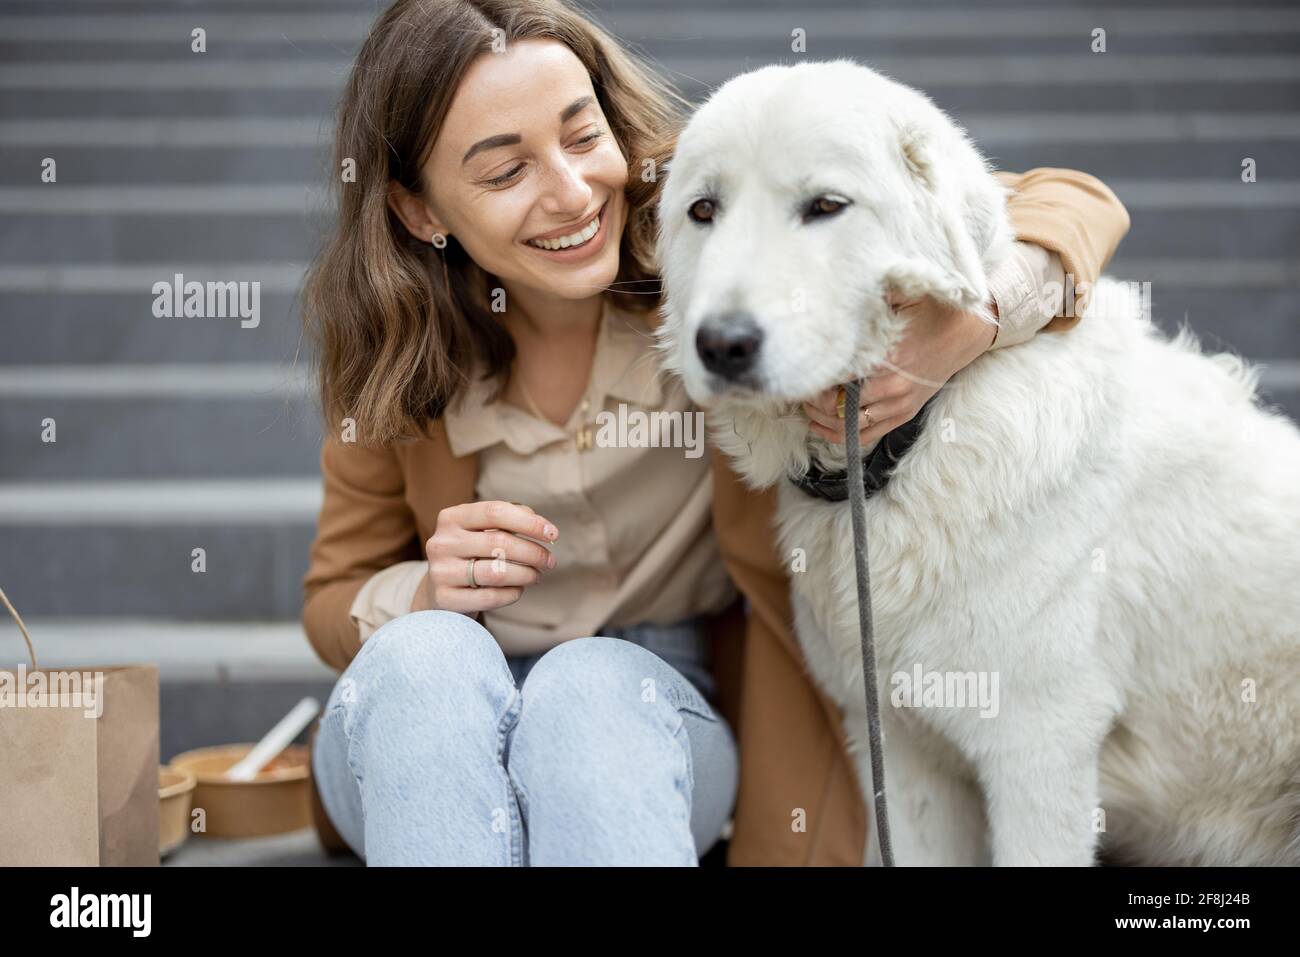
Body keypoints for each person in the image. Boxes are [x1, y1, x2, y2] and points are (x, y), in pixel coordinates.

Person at [300, 0, 1131, 866]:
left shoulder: (713, 233)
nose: (574, 193)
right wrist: (426, 595)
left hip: (644, 717)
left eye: (583, 138)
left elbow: (1068, 202)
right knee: (422, 658)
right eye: (506, 172)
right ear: (421, 211)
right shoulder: (399, 353)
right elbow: (332, 600)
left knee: (591, 691)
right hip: (422, 730)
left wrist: (976, 319)